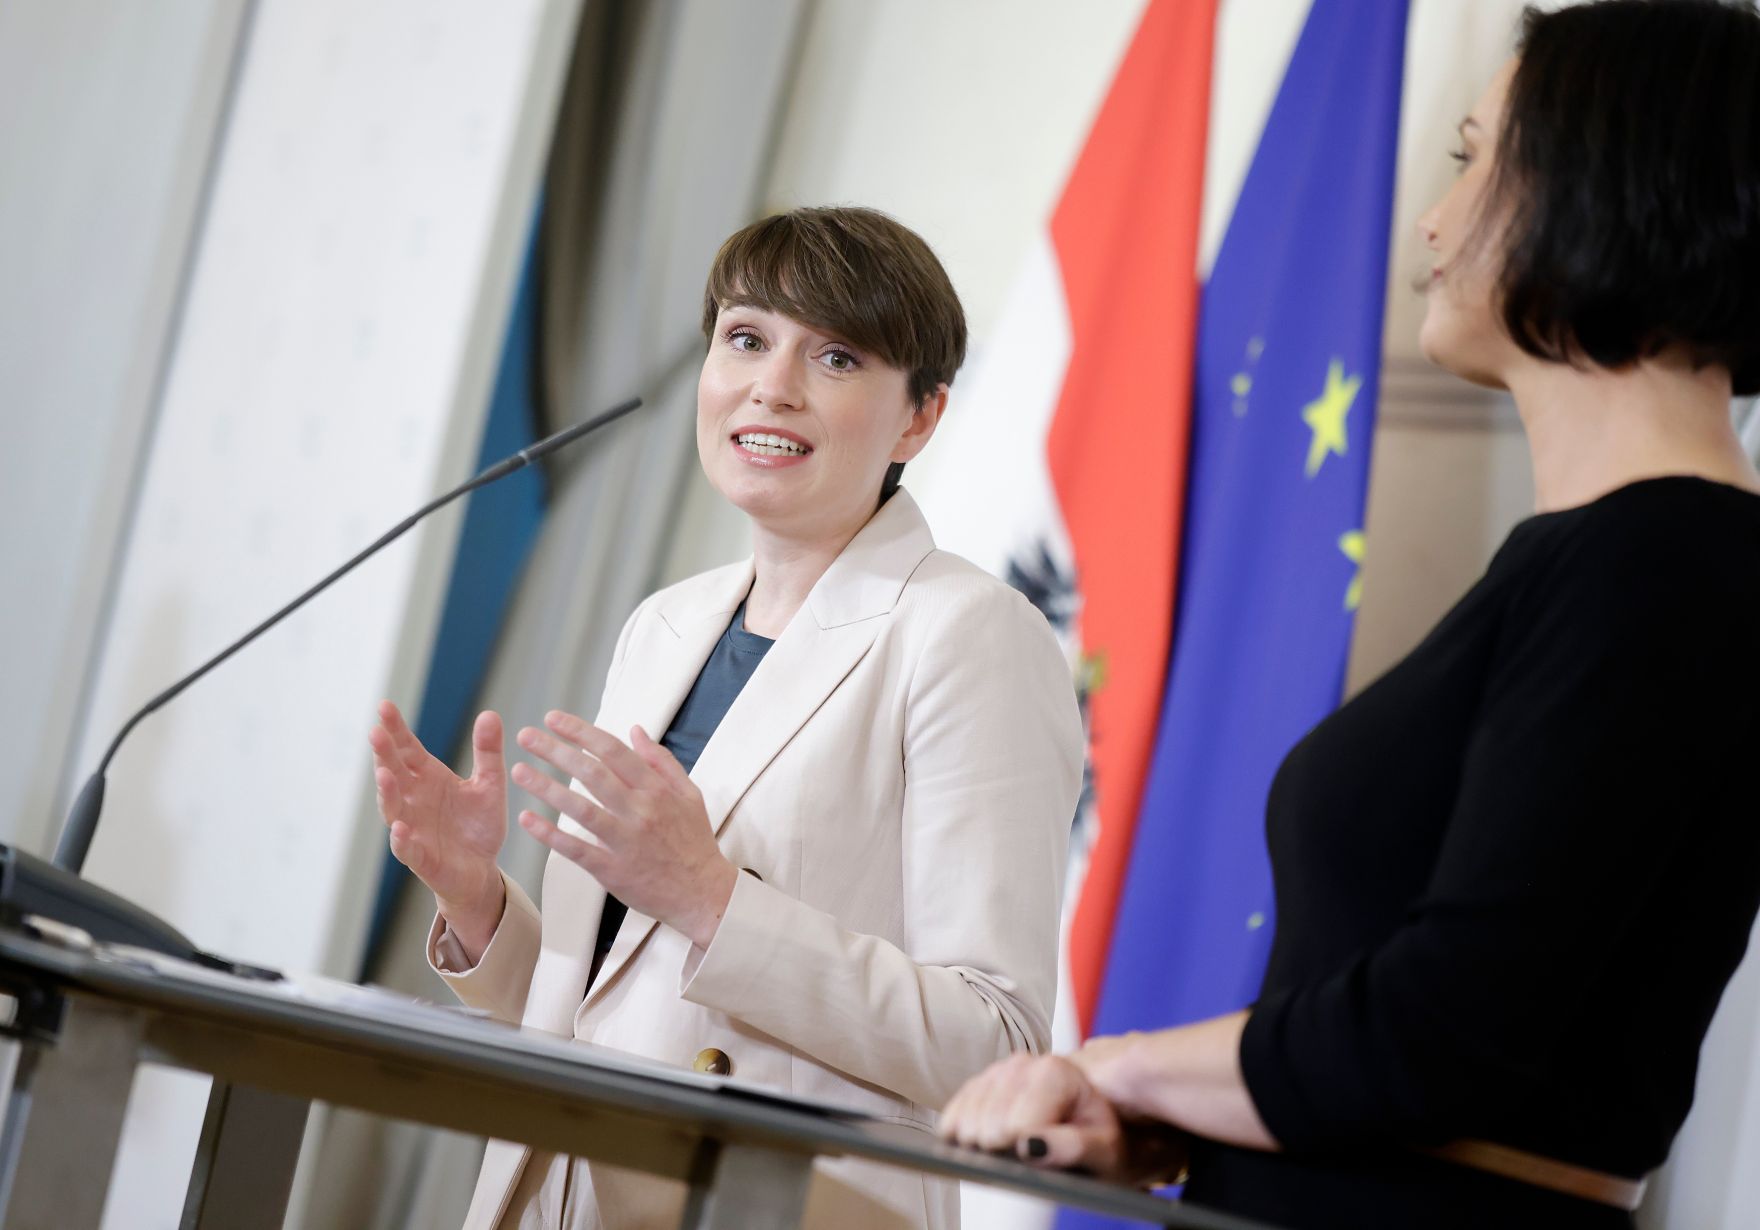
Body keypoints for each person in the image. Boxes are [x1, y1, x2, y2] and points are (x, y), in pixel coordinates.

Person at [936, 3, 1760, 1228]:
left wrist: (1115, 1067)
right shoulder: (1604, 555)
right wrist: (1165, 1120)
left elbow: (1449, 1025)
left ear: (1609, 177)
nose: (1432, 217)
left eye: (1472, 154)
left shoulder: (1663, 562)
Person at [369, 206, 1084, 1229]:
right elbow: (612, 1009)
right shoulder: (665, 625)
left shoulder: (968, 636)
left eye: (835, 358)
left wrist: (710, 895)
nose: (771, 386)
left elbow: (994, 1042)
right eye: (744, 339)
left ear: (918, 418)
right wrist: (477, 899)